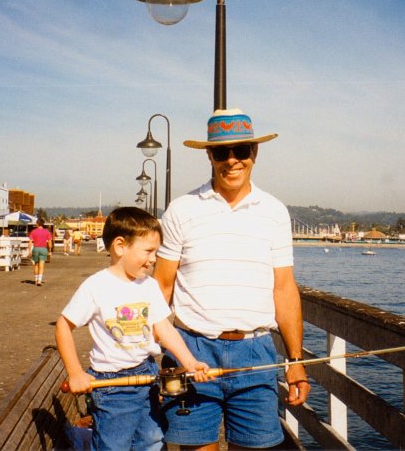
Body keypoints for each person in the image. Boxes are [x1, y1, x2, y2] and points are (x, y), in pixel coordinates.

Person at [154, 108, 310, 449]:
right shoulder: (181, 209)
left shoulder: (274, 212)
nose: (232, 161)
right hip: (191, 350)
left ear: (254, 153)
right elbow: (160, 287)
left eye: (241, 151)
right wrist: (150, 347)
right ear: (209, 155)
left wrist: (295, 362)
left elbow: (283, 289)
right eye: (222, 152)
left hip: (256, 353)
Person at [55, 206, 210, 451]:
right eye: (148, 251)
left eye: (156, 252)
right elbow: (64, 326)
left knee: (152, 439)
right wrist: (75, 373)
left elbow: (164, 329)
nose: (153, 259)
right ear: (120, 246)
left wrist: (190, 362)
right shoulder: (95, 286)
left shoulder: (148, 285)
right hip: (111, 385)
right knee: (113, 445)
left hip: (146, 376)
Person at [28, 219, 52, 286]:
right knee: (42, 266)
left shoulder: (33, 231)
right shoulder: (47, 232)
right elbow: (50, 242)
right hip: (43, 249)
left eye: (36, 223)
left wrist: (29, 251)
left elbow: (30, 242)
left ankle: (36, 280)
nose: (35, 224)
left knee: (36, 265)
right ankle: (39, 280)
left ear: (38, 224)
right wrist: (50, 251)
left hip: (36, 249)